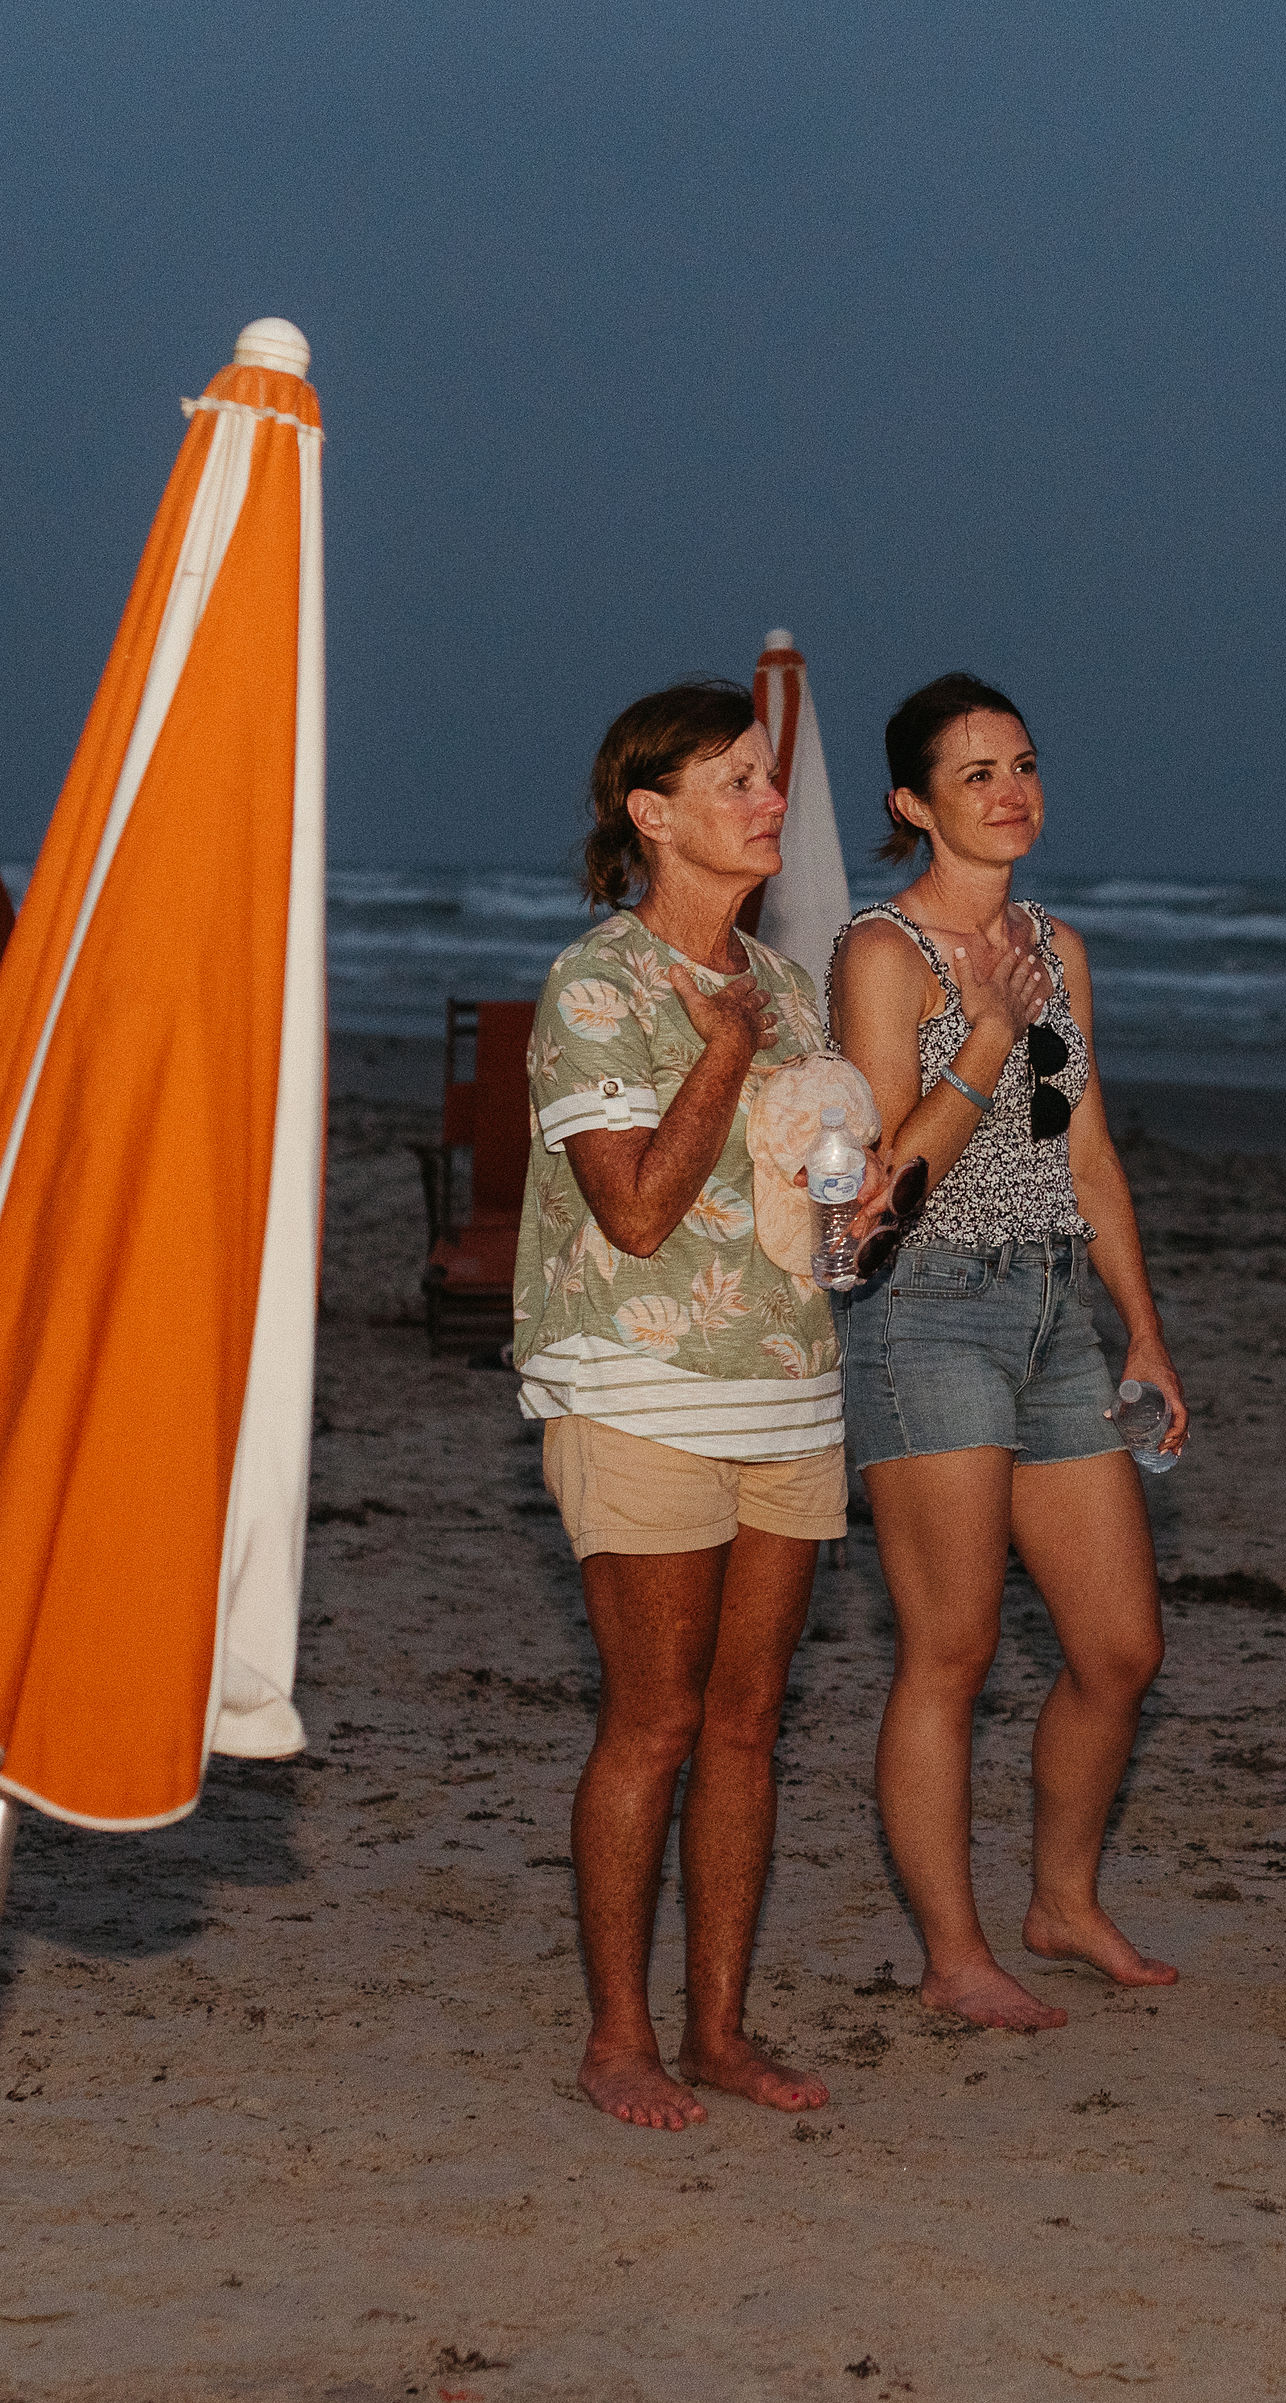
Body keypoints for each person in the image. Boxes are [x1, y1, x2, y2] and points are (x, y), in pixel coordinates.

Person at [826, 672, 1191, 2031]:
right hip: (925, 1309)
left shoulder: (1058, 946)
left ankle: (1064, 1900)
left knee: (1118, 1649)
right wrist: (983, 1029)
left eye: (1023, 762)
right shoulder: (884, 954)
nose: (1010, 789)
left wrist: (1141, 1330)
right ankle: (954, 1952)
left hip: (1049, 1315)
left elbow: (1082, 1155)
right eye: (975, 773)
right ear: (913, 805)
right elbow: (879, 1188)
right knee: (953, 1651)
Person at [518, 679, 844, 2129]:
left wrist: (860, 1200)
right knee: (653, 1719)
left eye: (768, 776)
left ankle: (719, 2028)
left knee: (751, 1720)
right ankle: (617, 2039)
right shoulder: (596, 983)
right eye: (734, 780)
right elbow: (640, 1214)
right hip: (638, 1384)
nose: (768, 800)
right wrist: (718, 1056)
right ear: (653, 816)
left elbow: (800, 1202)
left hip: (788, 1381)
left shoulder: (789, 988)